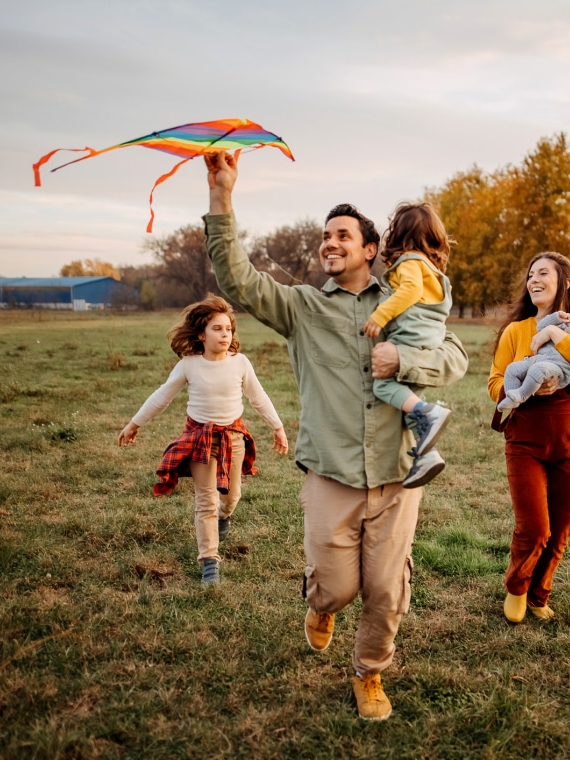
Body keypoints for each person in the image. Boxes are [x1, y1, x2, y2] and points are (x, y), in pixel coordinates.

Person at [201, 151, 468, 721]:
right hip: (332, 472)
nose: (330, 243)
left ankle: (369, 672)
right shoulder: (301, 308)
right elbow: (238, 281)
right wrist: (222, 198)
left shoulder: (402, 299)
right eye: (325, 236)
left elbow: (455, 357)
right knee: (338, 587)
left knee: (387, 591)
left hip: (400, 473)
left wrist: (405, 357)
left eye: (343, 235)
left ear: (370, 249)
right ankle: (320, 602)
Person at [116, 295, 289, 586]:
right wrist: (134, 423)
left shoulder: (240, 363)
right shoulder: (189, 365)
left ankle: (225, 517)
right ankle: (209, 561)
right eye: (217, 329)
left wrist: (278, 427)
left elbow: (258, 397)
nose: (225, 334)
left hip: (234, 438)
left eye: (229, 329)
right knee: (206, 501)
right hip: (200, 439)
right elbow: (162, 396)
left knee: (231, 497)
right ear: (201, 334)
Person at [488, 253, 570, 624]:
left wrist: (556, 333)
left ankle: (540, 593)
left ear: (565, 282)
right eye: (530, 275)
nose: (534, 280)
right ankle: (518, 587)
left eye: (544, 273)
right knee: (535, 527)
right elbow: (495, 383)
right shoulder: (516, 332)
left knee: (560, 528)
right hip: (526, 437)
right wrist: (530, 389)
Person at [362, 201, 454, 488]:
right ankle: (426, 455)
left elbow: (410, 291)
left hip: (411, 337)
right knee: (407, 401)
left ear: (398, 235)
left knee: (384, 386)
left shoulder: (411, 262)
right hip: (429, 338)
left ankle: (430, 412)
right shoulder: (433, 271)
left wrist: (381, 314)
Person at [497, 301, 570, 413]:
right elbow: (540, 327)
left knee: (538, 369)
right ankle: (512, 398)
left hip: (558, 368)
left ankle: (522, 394)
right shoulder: (562, 324)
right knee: (512, 369)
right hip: (539, 359)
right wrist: (556, 317)